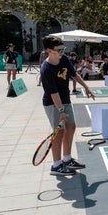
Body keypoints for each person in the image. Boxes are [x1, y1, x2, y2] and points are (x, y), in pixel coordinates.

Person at [40, 36, 95, 176]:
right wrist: (61, 111)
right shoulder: (46, 69)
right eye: (59, 50)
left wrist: (86, 87)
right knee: (59, 132)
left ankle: (67, 159)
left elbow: (74, 74)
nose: (62, 52)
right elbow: (53, 93)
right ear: (48, 51)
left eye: (63, 48)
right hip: (53, 103)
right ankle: (56, 165)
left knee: (71, 127)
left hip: (65, 99)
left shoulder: (64, 59)